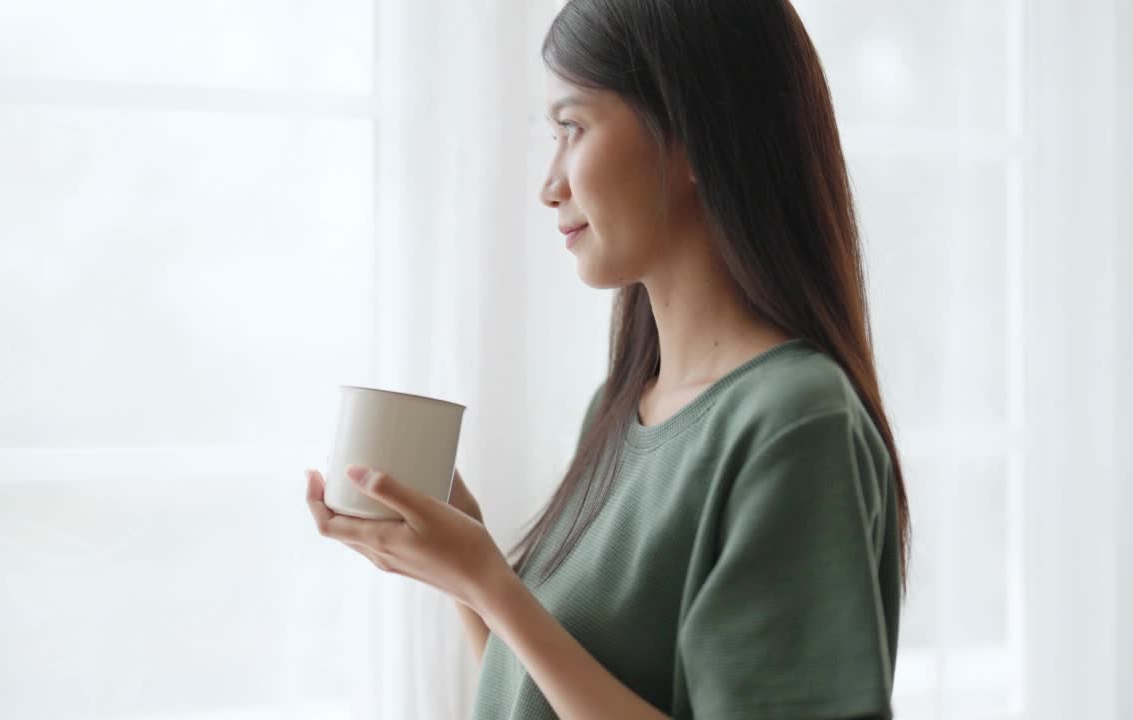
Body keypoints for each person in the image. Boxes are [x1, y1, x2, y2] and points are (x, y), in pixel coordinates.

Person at [305, 0, 910, 717]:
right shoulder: (623, 409)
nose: (549, 183)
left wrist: (494, 583)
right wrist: (465, 577)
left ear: (690, 133)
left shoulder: (794, 424)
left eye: (572, 127)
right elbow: (533, 701)